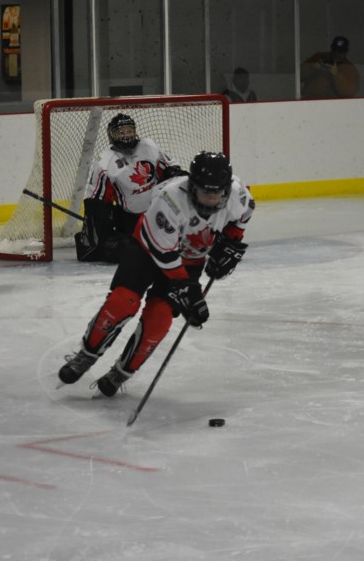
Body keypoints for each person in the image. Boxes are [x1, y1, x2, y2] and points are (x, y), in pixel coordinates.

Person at [58, 151, 256, 397]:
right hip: (146, 252)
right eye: (206, 192)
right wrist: (188, 290)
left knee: (160, 318)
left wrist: (230, 243)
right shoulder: (170, 198)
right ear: (192, 186)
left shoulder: (238, 195)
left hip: (188, 259)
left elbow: (245, 214)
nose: (212, 199)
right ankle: (86, 356)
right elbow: (163, 252)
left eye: (217, 193)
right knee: (123, 302)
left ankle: (121, 372)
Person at [74, 113, 186, 263]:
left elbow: (170, 167)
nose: (126, 136)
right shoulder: (105, 163)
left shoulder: (148, 146)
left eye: (129, 131)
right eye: (121, 132)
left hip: (159, 211)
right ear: (112, 135)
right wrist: (96, 226)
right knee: (132, 251)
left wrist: (174, 172)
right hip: (130, 219)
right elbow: (97, 199)